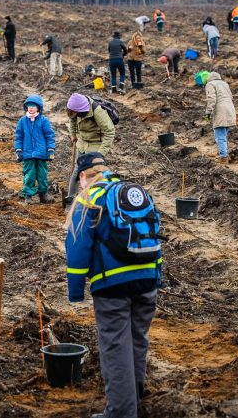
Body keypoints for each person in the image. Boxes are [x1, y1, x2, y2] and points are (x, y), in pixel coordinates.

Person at [65, 152, 161, 418]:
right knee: (137, 338)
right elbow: (155, 231)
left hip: (112, 287)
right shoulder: (137, 193)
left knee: (115, 345)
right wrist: (157, 277)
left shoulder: (90, 199)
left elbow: (77, 248)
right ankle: (134, 398)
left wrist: (75, 292)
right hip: (147, 281)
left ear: (83, 176)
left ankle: (120, 411)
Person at [65, 93, 116, 199]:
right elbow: (72, 120)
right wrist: (73, 134)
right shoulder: (74, 109)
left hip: (96, 143)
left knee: (93, 173)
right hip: (83, 142)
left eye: (75, 113)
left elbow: (110, 132)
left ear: (81, 110)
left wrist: (100, 154)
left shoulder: (98, 112)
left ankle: (94, 199)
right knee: (77, 171)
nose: (73, 115)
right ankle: (70, 198)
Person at [14, 94, 56, 204]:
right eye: (29, 106)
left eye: (34, 106)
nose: (31, 108)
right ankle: (28, 196)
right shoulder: (22, 121)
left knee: (42, 174)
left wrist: (50, 150)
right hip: (27, 154)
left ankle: (43, 194)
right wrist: (18, 150)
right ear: (26, 108)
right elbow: (18, 137)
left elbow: (49, 136)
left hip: (41, 154)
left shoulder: (44, 120)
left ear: (39, 108)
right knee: (29, 174)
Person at [200, 71, 237, 162]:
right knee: (223, 135)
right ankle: (224, 154)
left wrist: (208, 113)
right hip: (230, 109)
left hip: (221, 111)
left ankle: (223, 157)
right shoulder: (224, 83)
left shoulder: (210, 84)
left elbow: (211, 99)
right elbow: (231, 97)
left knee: (220, 136)